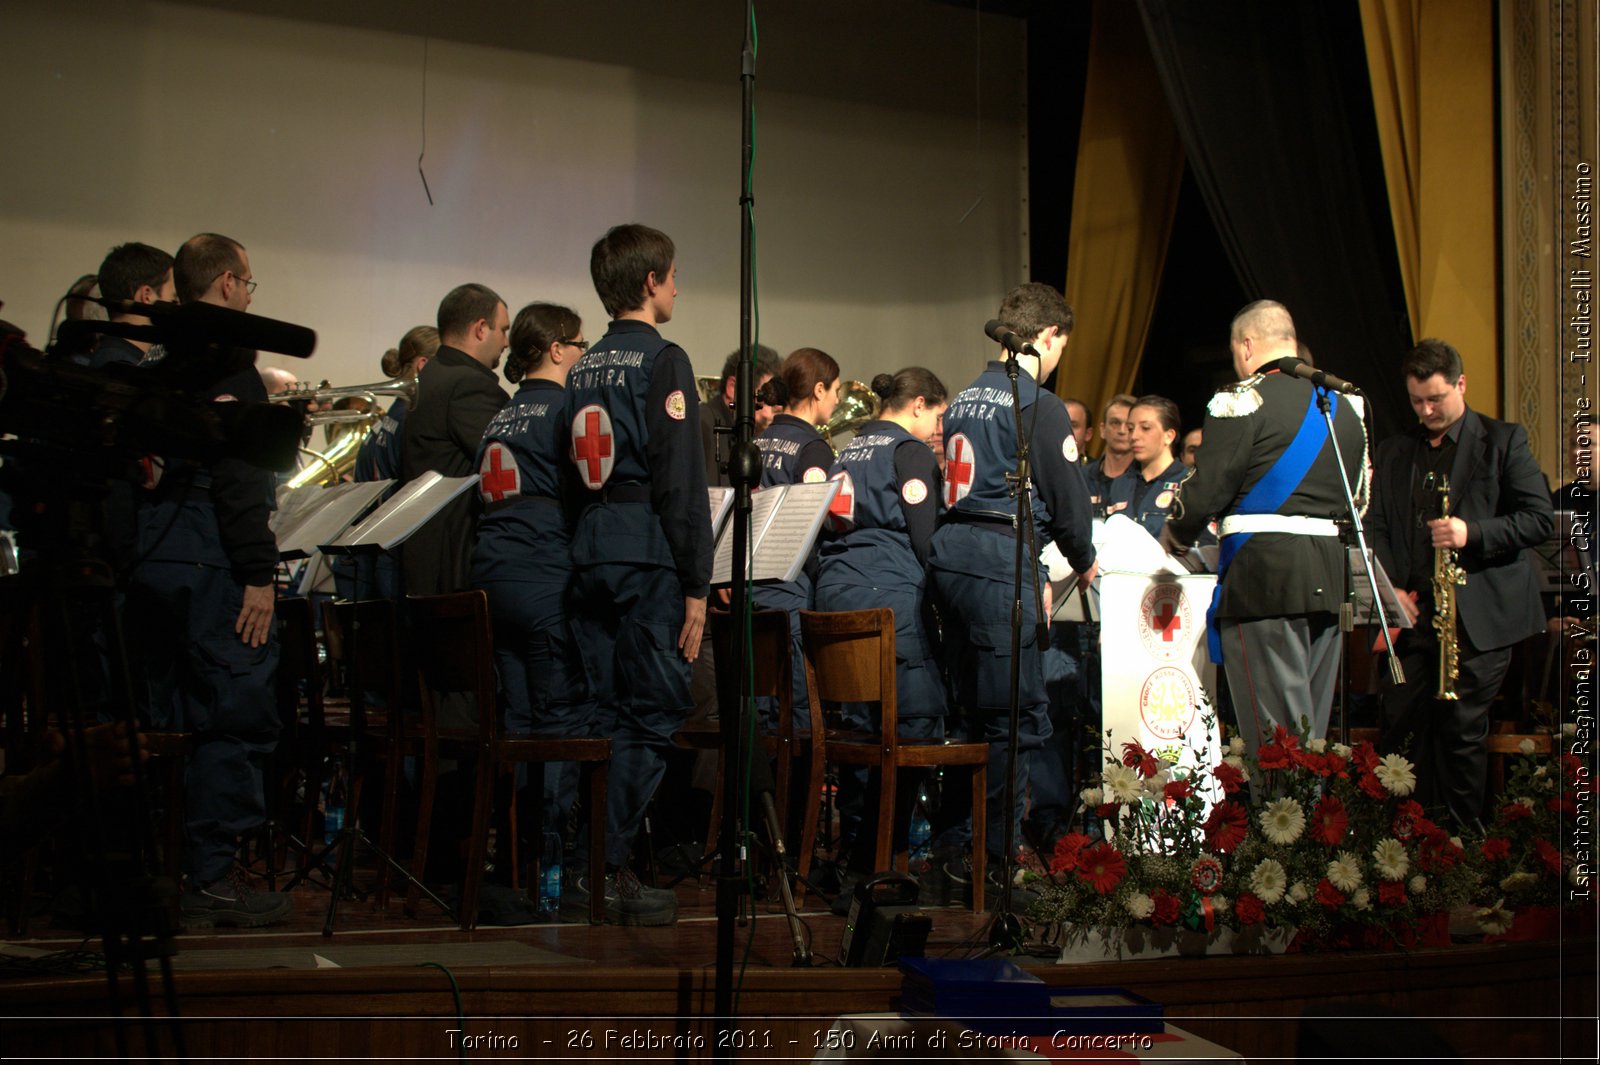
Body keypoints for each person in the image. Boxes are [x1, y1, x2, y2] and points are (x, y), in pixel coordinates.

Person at [127, 232, 290, 928]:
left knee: (160, 724)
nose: (252, 295)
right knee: (232, 713)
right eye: (250, 283)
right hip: (211, 561)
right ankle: (214, 878)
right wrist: (258, 574)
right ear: (226, 283)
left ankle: (158, 873)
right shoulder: (232, 365)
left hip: (149, 559)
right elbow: (239, 481)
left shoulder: (159, 362)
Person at [562, 223, 712, 925]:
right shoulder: (665, 359)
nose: (678, 286)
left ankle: (572, 863)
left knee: (596, 715)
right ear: (651, 283)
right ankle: (608, 867)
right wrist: (696, 584)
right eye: (674, 275)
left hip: (589, 548)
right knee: (651, 713)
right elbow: (681, 480)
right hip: (647, 550)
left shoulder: (583, 365)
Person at [930, 282, 1097, 878]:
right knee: (1015, 718)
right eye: (1061, 347)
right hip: (1000, 563)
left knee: (970, 716)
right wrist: (1083, 556)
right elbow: (1069, 501)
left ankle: (953, 844)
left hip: (952, 559)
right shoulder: (1038, 405)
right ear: (1049, 335)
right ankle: (996, 856)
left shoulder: (968, 394)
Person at [1160, 300, 1367, 759]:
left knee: (1276, 743)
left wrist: (1174, 536)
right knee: (1311, 736)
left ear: (1247, 345)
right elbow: (1360, 499)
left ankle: (1283, 829)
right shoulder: (1347, 406)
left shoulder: (1241, 399)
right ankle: (1310, 830)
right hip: (1330, 582)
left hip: (1263, 584)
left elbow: (1207, 488)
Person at [1367, 338, 1553, 827]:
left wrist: (1473, 533)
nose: (1426, 410)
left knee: (1461, 729)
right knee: (1402, 729)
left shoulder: (1503, 440)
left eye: (1436, 398)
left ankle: (1463, 845)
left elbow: (1539, 520)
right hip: (1415, 613)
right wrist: (1394, 592)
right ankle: (1406, 846)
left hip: (1479, 617)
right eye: (1417, 401)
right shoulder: (1394, 451)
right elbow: (1379, 527)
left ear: (1461, 385)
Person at [470, 302, 595, 886]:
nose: (583, 357)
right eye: (579, 347)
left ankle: (515, 864)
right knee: (559, 723)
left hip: (493, 578)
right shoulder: (566, 407)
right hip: (546, 577)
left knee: (516, 725)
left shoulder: (502, 414)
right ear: (555, 350)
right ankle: (551, 867)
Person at [815, 367, 947, 885]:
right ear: (917, 404)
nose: (938, 429)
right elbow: (926, 539)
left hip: (836, 594)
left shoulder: (846, 448)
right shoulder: (908, 452)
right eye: (937, 415)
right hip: (889, 598)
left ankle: (853, 853)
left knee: (860, 733)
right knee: (913, 727)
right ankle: (881, 857)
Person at [400, 285, 510, 596]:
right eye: (502, 330)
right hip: (454, 563)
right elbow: (508, 462)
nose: (506, 342)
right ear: (480, 328)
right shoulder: (469, 384)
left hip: (424, 553)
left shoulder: (433, 374)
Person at [753, 347, 841, 719]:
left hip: (747, 588)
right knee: (796, 712)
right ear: (818, 390)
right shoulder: (813, 449)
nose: (838, 399)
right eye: (836, 389)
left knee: (758, 708)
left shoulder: (757, 440)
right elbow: (817, 524)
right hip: (788, 592)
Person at [701, 344, 781, 486]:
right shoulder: (703, 422)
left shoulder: (758, 434)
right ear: (733, 387)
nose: (777, 406)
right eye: (766, 395)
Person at [88, 243, 174, 369]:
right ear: (147, 296)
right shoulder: (118, 364)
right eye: (174, 299)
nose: (179, 307)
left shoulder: (111, 355)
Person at [1125, 395, 1189, 537]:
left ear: (1169, 436)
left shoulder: (1188, 484)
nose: (1134, 436)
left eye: (1145, 428)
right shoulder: (1120, 483)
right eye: (1130, 428)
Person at [1088, 393, 1137, 518]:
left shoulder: (1144, 482)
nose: (1122, 430)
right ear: (1102, 430)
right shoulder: (1081, 478)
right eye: (1115, 423)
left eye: (1129, 426)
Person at [1063, 397, 1095, 463]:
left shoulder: (1095, 471)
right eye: (1060, 424)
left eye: (1073, 425)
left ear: (1088, 434)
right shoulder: (1039, 466)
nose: (1065, 430)